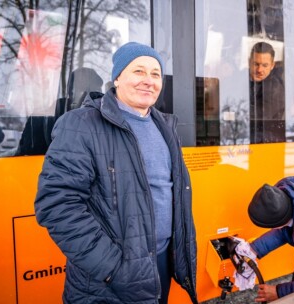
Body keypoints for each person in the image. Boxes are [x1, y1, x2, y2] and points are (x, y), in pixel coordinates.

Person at [34, 42, 198, 304]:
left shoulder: (165, 127)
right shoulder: (80, 125)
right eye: (138, 71)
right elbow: (57, 205)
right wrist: (113, 269)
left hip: (161, 263)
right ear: (118, 77)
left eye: (155, 74)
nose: (148, 81)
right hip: (108, 278)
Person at [249, 41, 285, 144]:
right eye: (256, 64)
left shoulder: (275, 88)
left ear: (272, 65)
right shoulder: (241, 81)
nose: (260, 70)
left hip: (266, 141)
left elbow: (258, 116)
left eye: (265, 65)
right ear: (249, 62)